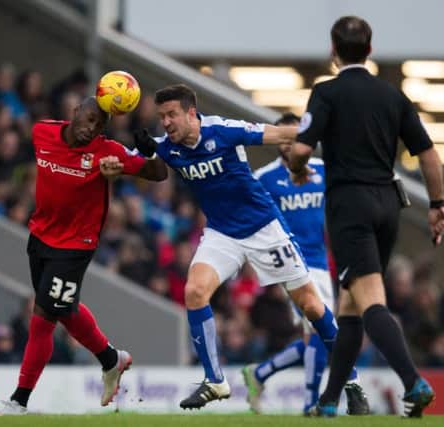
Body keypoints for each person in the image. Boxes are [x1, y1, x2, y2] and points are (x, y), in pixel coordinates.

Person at [132, 84, 341, 410]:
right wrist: (131, 158)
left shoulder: (223, 130)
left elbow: (278, 134)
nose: (166, 122)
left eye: (172, 114)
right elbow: (140, 166)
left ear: (191, 113)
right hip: (222, 234)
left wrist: (320, 127)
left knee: (312, 308)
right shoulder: (164, 147)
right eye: (161, 117)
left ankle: (349, 378)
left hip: (263, 230)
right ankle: (214, 380)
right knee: (194, 292)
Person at [289, 16, 444, 418]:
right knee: (350, 306)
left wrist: (297, 169)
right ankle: (327, 403)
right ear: (370, 50)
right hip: (389, 205)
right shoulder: (393, 96)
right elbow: (428, 154)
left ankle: (413, 382)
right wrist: (438, 205)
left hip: (350, 206)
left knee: (371, 300)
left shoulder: (326, 93)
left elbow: (302, 150)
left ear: (332, 51)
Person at [0, 97, 167, 414]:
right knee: (64, 310)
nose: (91, 129)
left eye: (99, 125)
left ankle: (19, 401)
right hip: (39, 236)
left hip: (76, 244)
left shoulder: (108, 152)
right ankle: (111, 359)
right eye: (88, 119)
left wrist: (150, 151)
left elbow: (158, 174)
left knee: (43, 318)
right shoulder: (42, 132)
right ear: (74, 112)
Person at [242, 113, 368, 415]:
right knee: (320, 331)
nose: (291, 145)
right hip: (290, 262)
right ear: (278, 142)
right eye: (286, 139)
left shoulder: (322, 171)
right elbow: (251, 220)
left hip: (322, 263)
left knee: (319, 334)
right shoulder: (265, 178)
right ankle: (313, 403)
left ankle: (260, 374)